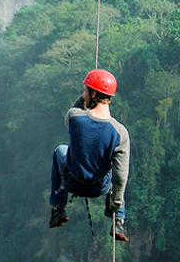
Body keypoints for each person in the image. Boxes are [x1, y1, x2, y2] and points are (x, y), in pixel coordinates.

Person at [48, 69, 131, 242]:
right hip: (99, 186)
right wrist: (116, 204)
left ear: (93, 93)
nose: (82, 93)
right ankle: (119, 221)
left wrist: (84, 99)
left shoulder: (75, 117)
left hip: (72, 181)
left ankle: (58, 207)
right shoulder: (120, 132)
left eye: (85, 90)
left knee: (60, 151)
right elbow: (120, 177)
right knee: (115, 170)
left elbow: (74, 111)